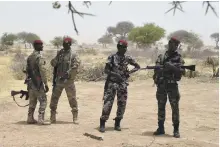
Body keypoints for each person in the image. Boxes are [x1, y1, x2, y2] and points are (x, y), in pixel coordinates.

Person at [99, 40, 140, 133]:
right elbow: (106, 70)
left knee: (122, 103)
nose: (124, 49)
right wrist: (115, 75)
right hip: (111, 83)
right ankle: (102, 122)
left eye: (125, 47)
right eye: (122, 47)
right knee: (108, 103)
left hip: (122, 83)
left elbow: (137, 66)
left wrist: (129, 73)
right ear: (118, 47)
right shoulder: (112, 57)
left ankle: (117, 122)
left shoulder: (127, 58)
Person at [153, 37, 185, 138]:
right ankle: (161, 128)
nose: (174, 46)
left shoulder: (179, 58)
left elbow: (182, 72)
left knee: (175, 108)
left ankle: (176, 129)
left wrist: (172, 67)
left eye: (176, 45)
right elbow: (156, 70)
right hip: (162, 85)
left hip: (172, 86)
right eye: (172, 44)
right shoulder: (161, 57)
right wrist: (161, 69)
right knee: (161, 107)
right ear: (169, 44)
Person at [49, 37, 81, 124]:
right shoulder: (60, 54)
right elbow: (53, 63)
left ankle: (75, 116)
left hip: (68, 81)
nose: (65, 45)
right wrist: (55, 59)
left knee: (72, 99)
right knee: (54, 99)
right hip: (59, 80)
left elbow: (76, 65)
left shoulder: (73, 54)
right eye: (64, 44)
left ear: (70, 44)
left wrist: (68, 73)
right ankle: (52, 116)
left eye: (67, 44)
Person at [26, 40, 50, 125]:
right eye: (41, 45)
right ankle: (41, 119)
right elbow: (42, 71)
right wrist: (46, 84)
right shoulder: (39, 57)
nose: (42, 46)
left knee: (32, 101)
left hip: (30, 83)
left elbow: (26, 70)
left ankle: (30, 118)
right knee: (43, 100)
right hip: (38, 82)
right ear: (36, 46)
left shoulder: (29, 57)